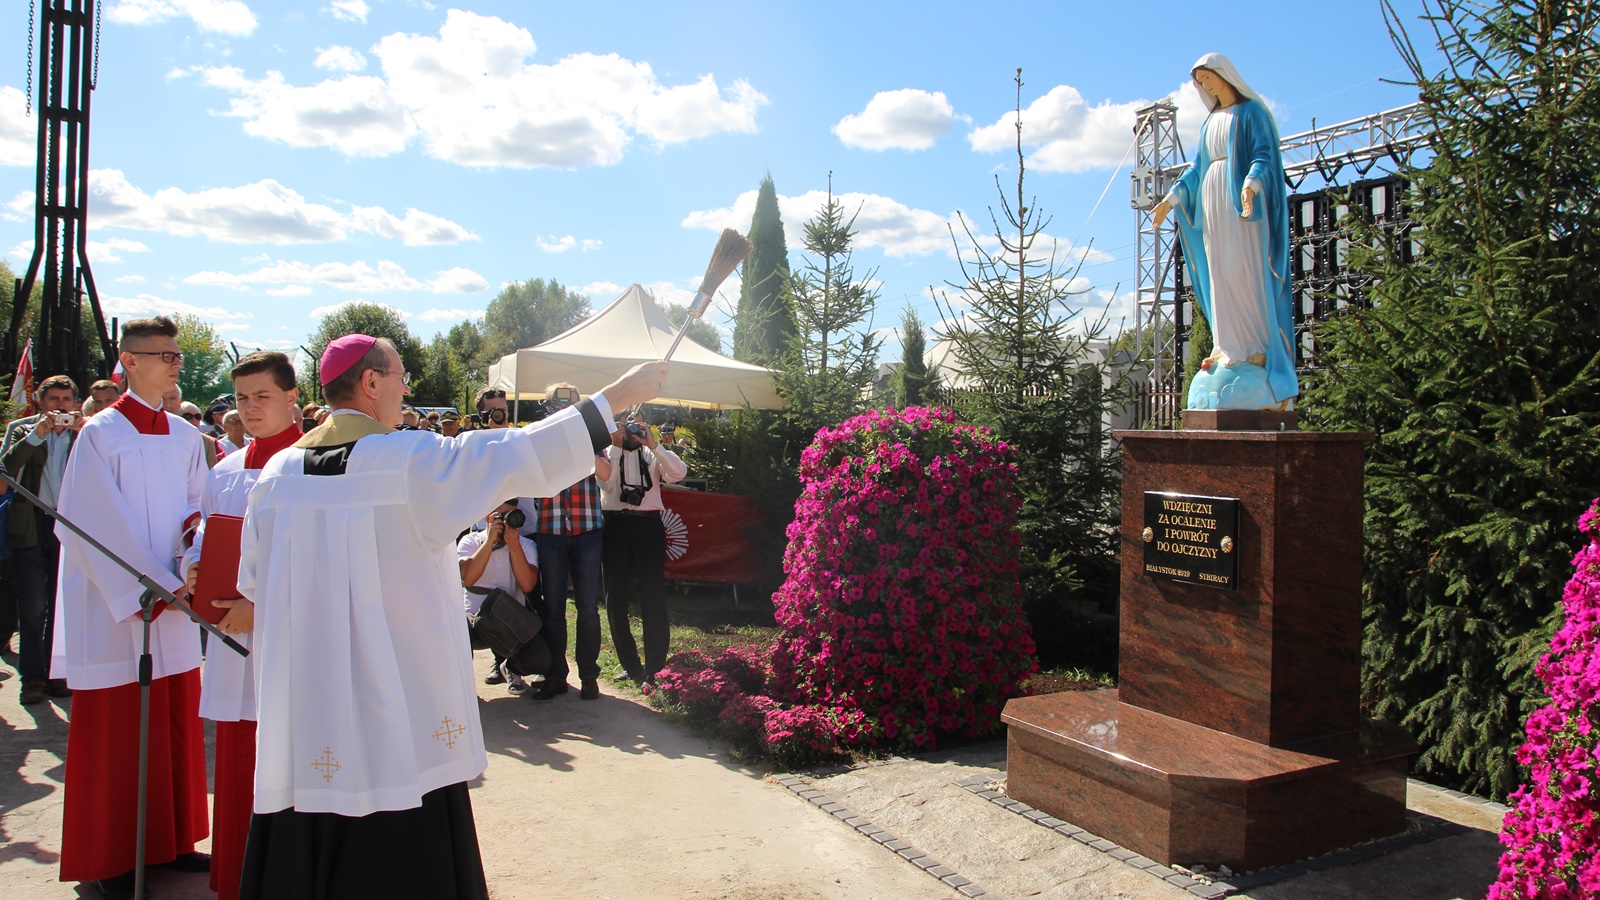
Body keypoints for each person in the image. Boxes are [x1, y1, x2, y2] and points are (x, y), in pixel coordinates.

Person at [234, 334, 667, 900]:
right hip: (397, 702)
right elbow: (517, 453)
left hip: (310, 707)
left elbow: (254, 584)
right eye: (400, 376)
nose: (405, 388)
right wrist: (620, 394)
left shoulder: (276, 475)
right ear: (371, 383)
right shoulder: (409, 461)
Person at [52, 316, 211, 897]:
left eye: (176, 355)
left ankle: (173, 840)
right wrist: (152, 586)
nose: (175, 364)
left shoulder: (185, 436)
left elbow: (199, 509)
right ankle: (113, 858)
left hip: (174, 600)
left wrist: (192, 563)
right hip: (119, 606)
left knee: (174, 719)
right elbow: (89, 522)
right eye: (164, 355)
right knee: (119, 730)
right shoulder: (101, 434)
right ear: (129, 361)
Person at [179, 351, 301, 900]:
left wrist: (264, 603)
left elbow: (324, 558)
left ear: (292, 397)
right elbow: (205, 535)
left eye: (263, 396)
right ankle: (236, 881)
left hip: (291, 641)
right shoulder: (225, 470)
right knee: (238, 758)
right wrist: (194, 566)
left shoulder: (315, 464)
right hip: (231, 640)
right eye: (242, 398)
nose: (251, 408)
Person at [1152, 52, 1296, 411]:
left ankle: (1257, 347)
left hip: (1241, 208)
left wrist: (1251, 185)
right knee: (1219, 275)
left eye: (1208, 78)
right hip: (1212, 206)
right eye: (1200, 82)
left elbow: (1264, 155)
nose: (1205, 85)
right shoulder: (1210, 123)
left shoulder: (1251, 113)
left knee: (1242, 272)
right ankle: (1228, 346)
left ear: (1224, 74)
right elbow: (1197, 169)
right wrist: (1170, 199)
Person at [528, 381, 612, 702]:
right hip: (551, 530)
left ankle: (589, 675)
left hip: (586, 529)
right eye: (559, 403)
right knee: (553, 608)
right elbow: (530, 474)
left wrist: (580, 439)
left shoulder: (590, 434)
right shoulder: (538, 435)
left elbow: (606, 472)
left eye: (572, 403)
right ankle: (556, 676)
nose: (565, 408)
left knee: (588, 607)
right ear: (548, 406)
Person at [2, 374, 84, 704]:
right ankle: (32, 677)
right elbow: (6, 469)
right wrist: (36, 436)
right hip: (31, 524)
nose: (60, 407)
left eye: (66, 400)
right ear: (41, 401)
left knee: (62, 603)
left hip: (70, 525)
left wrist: (83, 432)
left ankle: (56, 673)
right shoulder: (23, 429)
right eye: (53, 400)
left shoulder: (86, 432)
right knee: (34, 604)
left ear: (75, 403)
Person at [599, 415, 687, 684]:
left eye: (636, 425)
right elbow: (607, 483)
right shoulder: (607, 454)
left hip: (648, 525)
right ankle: (630, 665)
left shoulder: (652, 453)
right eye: (625, 426)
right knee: (615, 597)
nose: (631, 432)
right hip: (615, 525)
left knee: (653, 595)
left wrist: (654, 444)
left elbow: (679, 473)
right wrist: (615, 445)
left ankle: (655, 666)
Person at [458, 500, 546, 696]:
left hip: (509, 623)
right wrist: (490, 542)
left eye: (511, 516)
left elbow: (527, 585)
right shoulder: (470, 542)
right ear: (488, 518)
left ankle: (511, 668)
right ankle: (464, 688)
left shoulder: (526, 545)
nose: (506, 523)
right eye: (501, 517)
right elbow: (468, 578)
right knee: (457, 629)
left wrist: (514, 546)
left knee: (540, 660)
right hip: (475, 623)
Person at [171, 392, 225, 467]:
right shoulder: (169, 440)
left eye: (197, 416)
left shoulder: (209, 442)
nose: (194, 420)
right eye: (188, 416)